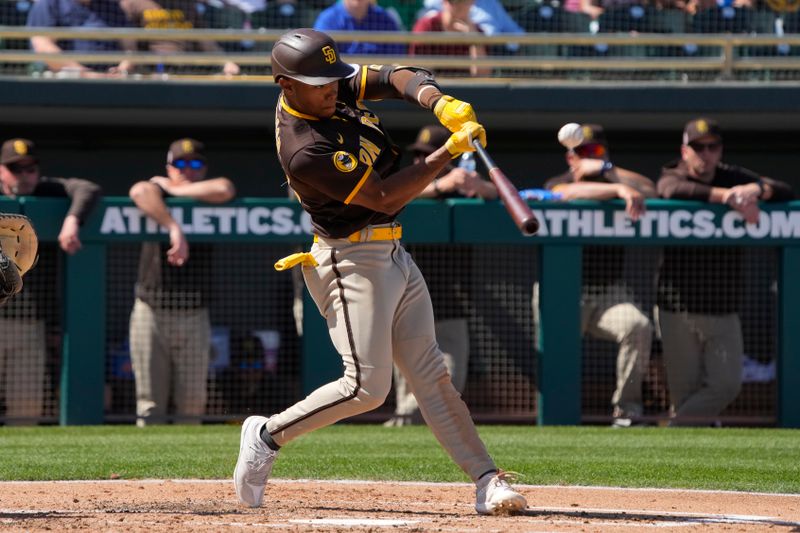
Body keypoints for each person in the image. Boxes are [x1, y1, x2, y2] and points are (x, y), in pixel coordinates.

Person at [234, 28, 527, 516]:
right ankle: (266, 435)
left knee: (432, 375)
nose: (333, 90)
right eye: (319, 84)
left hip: (392, 253)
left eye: (332, 80)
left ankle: (486, 479)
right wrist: (449, 152)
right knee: (366, 388)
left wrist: (438, 102)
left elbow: (395, 77)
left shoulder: (325, 90)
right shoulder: (305, 146)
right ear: (287, 85)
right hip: (349, 261)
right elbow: (386, 197)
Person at [656, 118, 793, 426]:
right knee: (685, 392)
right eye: (698, 147)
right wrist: (727, 197)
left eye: (712, 147)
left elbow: (784, 189)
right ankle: (688, 449)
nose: (705, 154)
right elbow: (669, 190)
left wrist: (754, 190)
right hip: (677, 306)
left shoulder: (732, 176)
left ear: (720, 150)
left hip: (723, 306)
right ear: (685, 150)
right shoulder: (673, 173)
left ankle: (672, 428)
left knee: (727, 385)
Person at [535, 123, 656, 427]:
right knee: (555, 356)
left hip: (607, 295)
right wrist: (617, 189)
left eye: (597, 151)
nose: (590, 157)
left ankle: (627, 411)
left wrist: (609, 170)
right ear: (570, 157)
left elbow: (652, 190)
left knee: (638, 326)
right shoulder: (558, 181)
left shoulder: (615, 176)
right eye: (584, 152)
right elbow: (565, 192)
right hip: (563, 291)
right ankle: (555, 418)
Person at [384, 124, 496, 426]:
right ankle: (403, 428)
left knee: (450, 375)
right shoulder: (409, 183)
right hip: (408, 295)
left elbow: (496, 193)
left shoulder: (462, 181)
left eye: (429, 154)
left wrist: (478, 185)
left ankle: (432, 428)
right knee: (408, 374)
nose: (421, 161)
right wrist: (439, 186)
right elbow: (389, 198)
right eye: (419, 155)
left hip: (451, 300)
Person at [128, 138, 236, 427]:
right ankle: (146, 469)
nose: (188, 170)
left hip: (194, 312)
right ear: (169, 167)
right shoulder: (154, 193)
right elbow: (139, 191)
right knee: (150, 403)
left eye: (195, 164)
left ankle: (187, 470)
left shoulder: (199, 191)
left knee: (192, 402)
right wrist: (173, 228)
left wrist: (172, 188)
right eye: (181, 165)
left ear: (203, 169)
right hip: (151, 309)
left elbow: (225, 188)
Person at [0, 138, 102, 424]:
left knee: (27, 409)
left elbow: (87, 189)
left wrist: (71, 220)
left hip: (28, 322)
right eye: (15, 169)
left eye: (30, 169)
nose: (24, 175)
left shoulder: (47, 190)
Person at [119, 0, 240, 75]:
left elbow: (204, 38)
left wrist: (225, 62)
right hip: (150, 69)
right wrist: (127, 63)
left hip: (183, 68)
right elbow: (128, 41)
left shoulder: (186, 4)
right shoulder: (132, 3)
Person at [26, 0, 134, 76]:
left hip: (110, 79)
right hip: (66, 80)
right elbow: (42, 45)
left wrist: (122, 69)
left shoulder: (112, 6)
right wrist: (83, 73)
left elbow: (129, 46)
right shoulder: (50, 3)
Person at [411, 0, 492, 77]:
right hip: (435, 87)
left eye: (464, 1)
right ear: (444, 2)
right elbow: (420, 71)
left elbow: (482, 76)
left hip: (467, 89)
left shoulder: (477, 32)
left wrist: (474, 41)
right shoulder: (427, 26)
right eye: (453, 1)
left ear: (472, 2)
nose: (458, 5)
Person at [313, 0, 406, 55]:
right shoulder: (328, 20)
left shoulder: (385, 20)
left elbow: (397, 58)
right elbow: (321, 60)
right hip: (341, 82)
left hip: (377, 82)